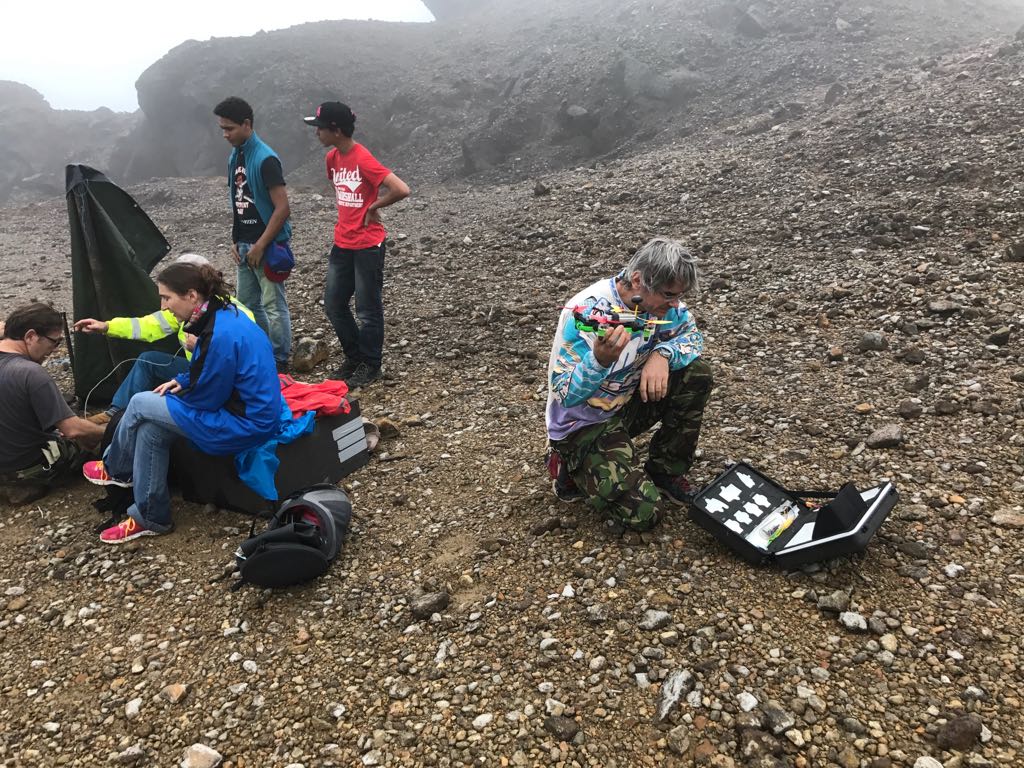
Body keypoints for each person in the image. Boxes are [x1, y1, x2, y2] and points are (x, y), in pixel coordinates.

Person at [83, 262, 281, 544]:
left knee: (140, 403)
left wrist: (178, 395)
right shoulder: (221, 313)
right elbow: (212, 368)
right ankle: (152, 517)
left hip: (244, 423)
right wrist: (183, 380)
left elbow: (209, 398)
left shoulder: (219, 334)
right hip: (244, 412)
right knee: (151, 430)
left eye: (166, 298)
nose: (163, 306)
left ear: (191, 295)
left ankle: (116, 469)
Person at [545, 237, 713, 532]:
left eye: (679, 296)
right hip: (582, 423)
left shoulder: (666, 307)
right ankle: (568, 464)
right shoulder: (585, 313)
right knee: (644, 513)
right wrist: (598, 362)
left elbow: (693, 337)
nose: (676, 304)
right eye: (669, 295)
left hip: (627, 404)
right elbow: (564, 394)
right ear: (638, 280)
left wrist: (662, 354)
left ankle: (665, 471)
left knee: (696, 373)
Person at [74, 253, 254, 424]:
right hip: (194, 370)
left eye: (167, 297)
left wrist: (201, 347)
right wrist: (107, 326)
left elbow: (236, 359)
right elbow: (148, 325)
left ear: (192, 291)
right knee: (148, 361)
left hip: (219, 381)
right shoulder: (187, 308)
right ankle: (114, 413)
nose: (164, 307)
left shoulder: (235, 314)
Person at [304, 101, 410, 389]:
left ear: (336, 130)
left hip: (368, 245)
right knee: (334, 304)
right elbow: (341, 192)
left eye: (320, 128)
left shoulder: (362, 157)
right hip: (342, 242)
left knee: (367, 309)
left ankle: (371, 364)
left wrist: (374, 206)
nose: (317, 133)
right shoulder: (332, 158)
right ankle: (354, 358)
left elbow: (401, 189)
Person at [213, 96, 294, 373]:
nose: (225, 134)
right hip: (244, 243)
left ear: (247, 124)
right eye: (222, 129)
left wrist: (260, 245)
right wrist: (236, 240)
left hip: (267, 245)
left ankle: (280, 361)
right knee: (247, 303)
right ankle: (263, 351)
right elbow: (238, 201)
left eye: (230, 128)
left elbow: (282, 208)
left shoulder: (265, 158)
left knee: (273, 304)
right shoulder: (235, 156)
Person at [0, 303, 104, 496]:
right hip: (25, 468)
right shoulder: (30, 373)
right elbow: (73, 429)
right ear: (31, 336)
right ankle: (24, 483)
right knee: (92, 440)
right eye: (54, 342)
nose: (54, 350)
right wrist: (108, 432)